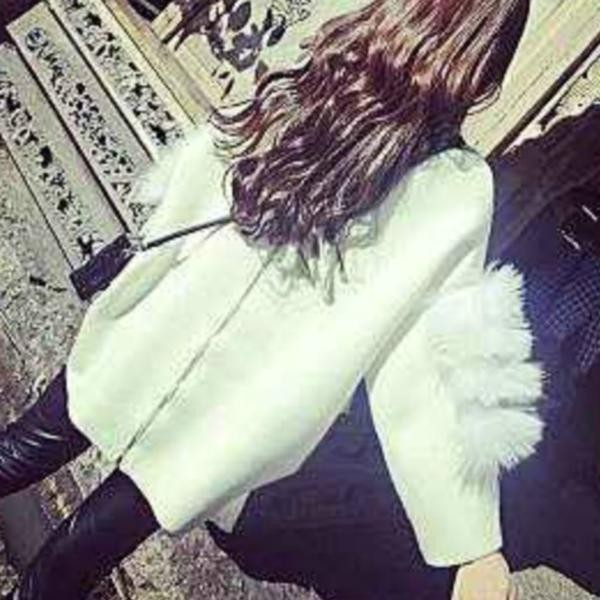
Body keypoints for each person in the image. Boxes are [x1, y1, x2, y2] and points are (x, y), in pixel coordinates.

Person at [0, 0, 541, 598]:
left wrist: (142, 282)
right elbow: (424, 374)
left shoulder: (322, 77)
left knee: (19, 455)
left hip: (159, 331)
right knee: (72, 562)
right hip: (231, 410)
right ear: (484, 66)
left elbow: (200, 176)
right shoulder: (454, 188)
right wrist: (473, 544)